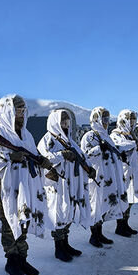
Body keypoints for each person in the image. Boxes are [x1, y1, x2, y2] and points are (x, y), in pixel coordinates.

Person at [0, 95, 56, 275]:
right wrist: (9, 157)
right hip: (6, 186)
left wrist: (42, 161)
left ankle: (22, 258)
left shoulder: (26, 134)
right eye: (17, 111)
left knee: (24, 220)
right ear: (7, 111)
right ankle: (12, 260)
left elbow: (32, 155)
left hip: (25, 185)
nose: (20, 114)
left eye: (22, 111)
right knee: (9, 222)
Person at [38, 109, 92, 262]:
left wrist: (89, 168)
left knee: (68, 212)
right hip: (57, 185)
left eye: (67, 122)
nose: (66, 125)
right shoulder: (48, 140)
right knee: (59, 213)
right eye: (62, 122)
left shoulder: (69, 140)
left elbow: (81, 155)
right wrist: (61, 155)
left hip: (71, 183)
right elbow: (43, 159)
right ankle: (58, 248)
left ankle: (65, 244)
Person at [80, 107, 128, 247]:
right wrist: (99, 149)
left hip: (109, 178)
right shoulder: (90, 136)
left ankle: (99, 233)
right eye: (104, 119)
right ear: (96, 119)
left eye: (108, 119)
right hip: (97, 178)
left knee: (103, 206)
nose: (106, 122)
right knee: (95, 205)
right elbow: (85, 155)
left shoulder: (107, 137)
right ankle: (93, 236)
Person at [110, 109, 138, 236]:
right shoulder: (116, 134)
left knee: (129, 200)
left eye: (133, 119)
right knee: (122, 199)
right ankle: (120, 226)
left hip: (133, 172)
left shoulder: (131, 135)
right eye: (130, 119)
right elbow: (119, 147)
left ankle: (125, 223)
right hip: (123, 172)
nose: (132, 122)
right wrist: (133, 144)